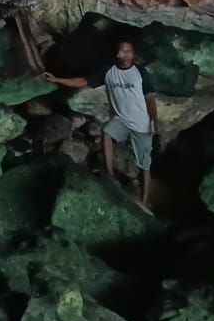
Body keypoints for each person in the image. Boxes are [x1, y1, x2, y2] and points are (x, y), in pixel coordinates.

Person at [46, 39, 159, 207]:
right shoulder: (108, 71)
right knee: (107, 132)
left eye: (128, 51)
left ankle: (143, 202)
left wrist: (154, 121)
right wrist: (57, 80)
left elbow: (150, 98)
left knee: (144, 166)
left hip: (141, 123)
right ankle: (110, 173)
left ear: (133, 54)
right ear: (117, 53)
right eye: (122, 51)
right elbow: (83, 81)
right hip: (121, 120)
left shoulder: (140, 72)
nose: (124, 54)